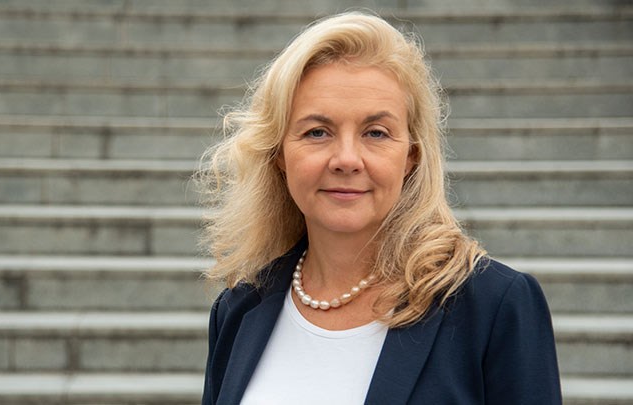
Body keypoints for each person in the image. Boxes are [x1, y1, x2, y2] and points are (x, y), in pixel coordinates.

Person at [198, 11, 561, 405]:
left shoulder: (494, 306)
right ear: (279, 154)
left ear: (411, 157)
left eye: (376, 133)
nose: (347, 159)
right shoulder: (238, 310)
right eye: (317, 132)